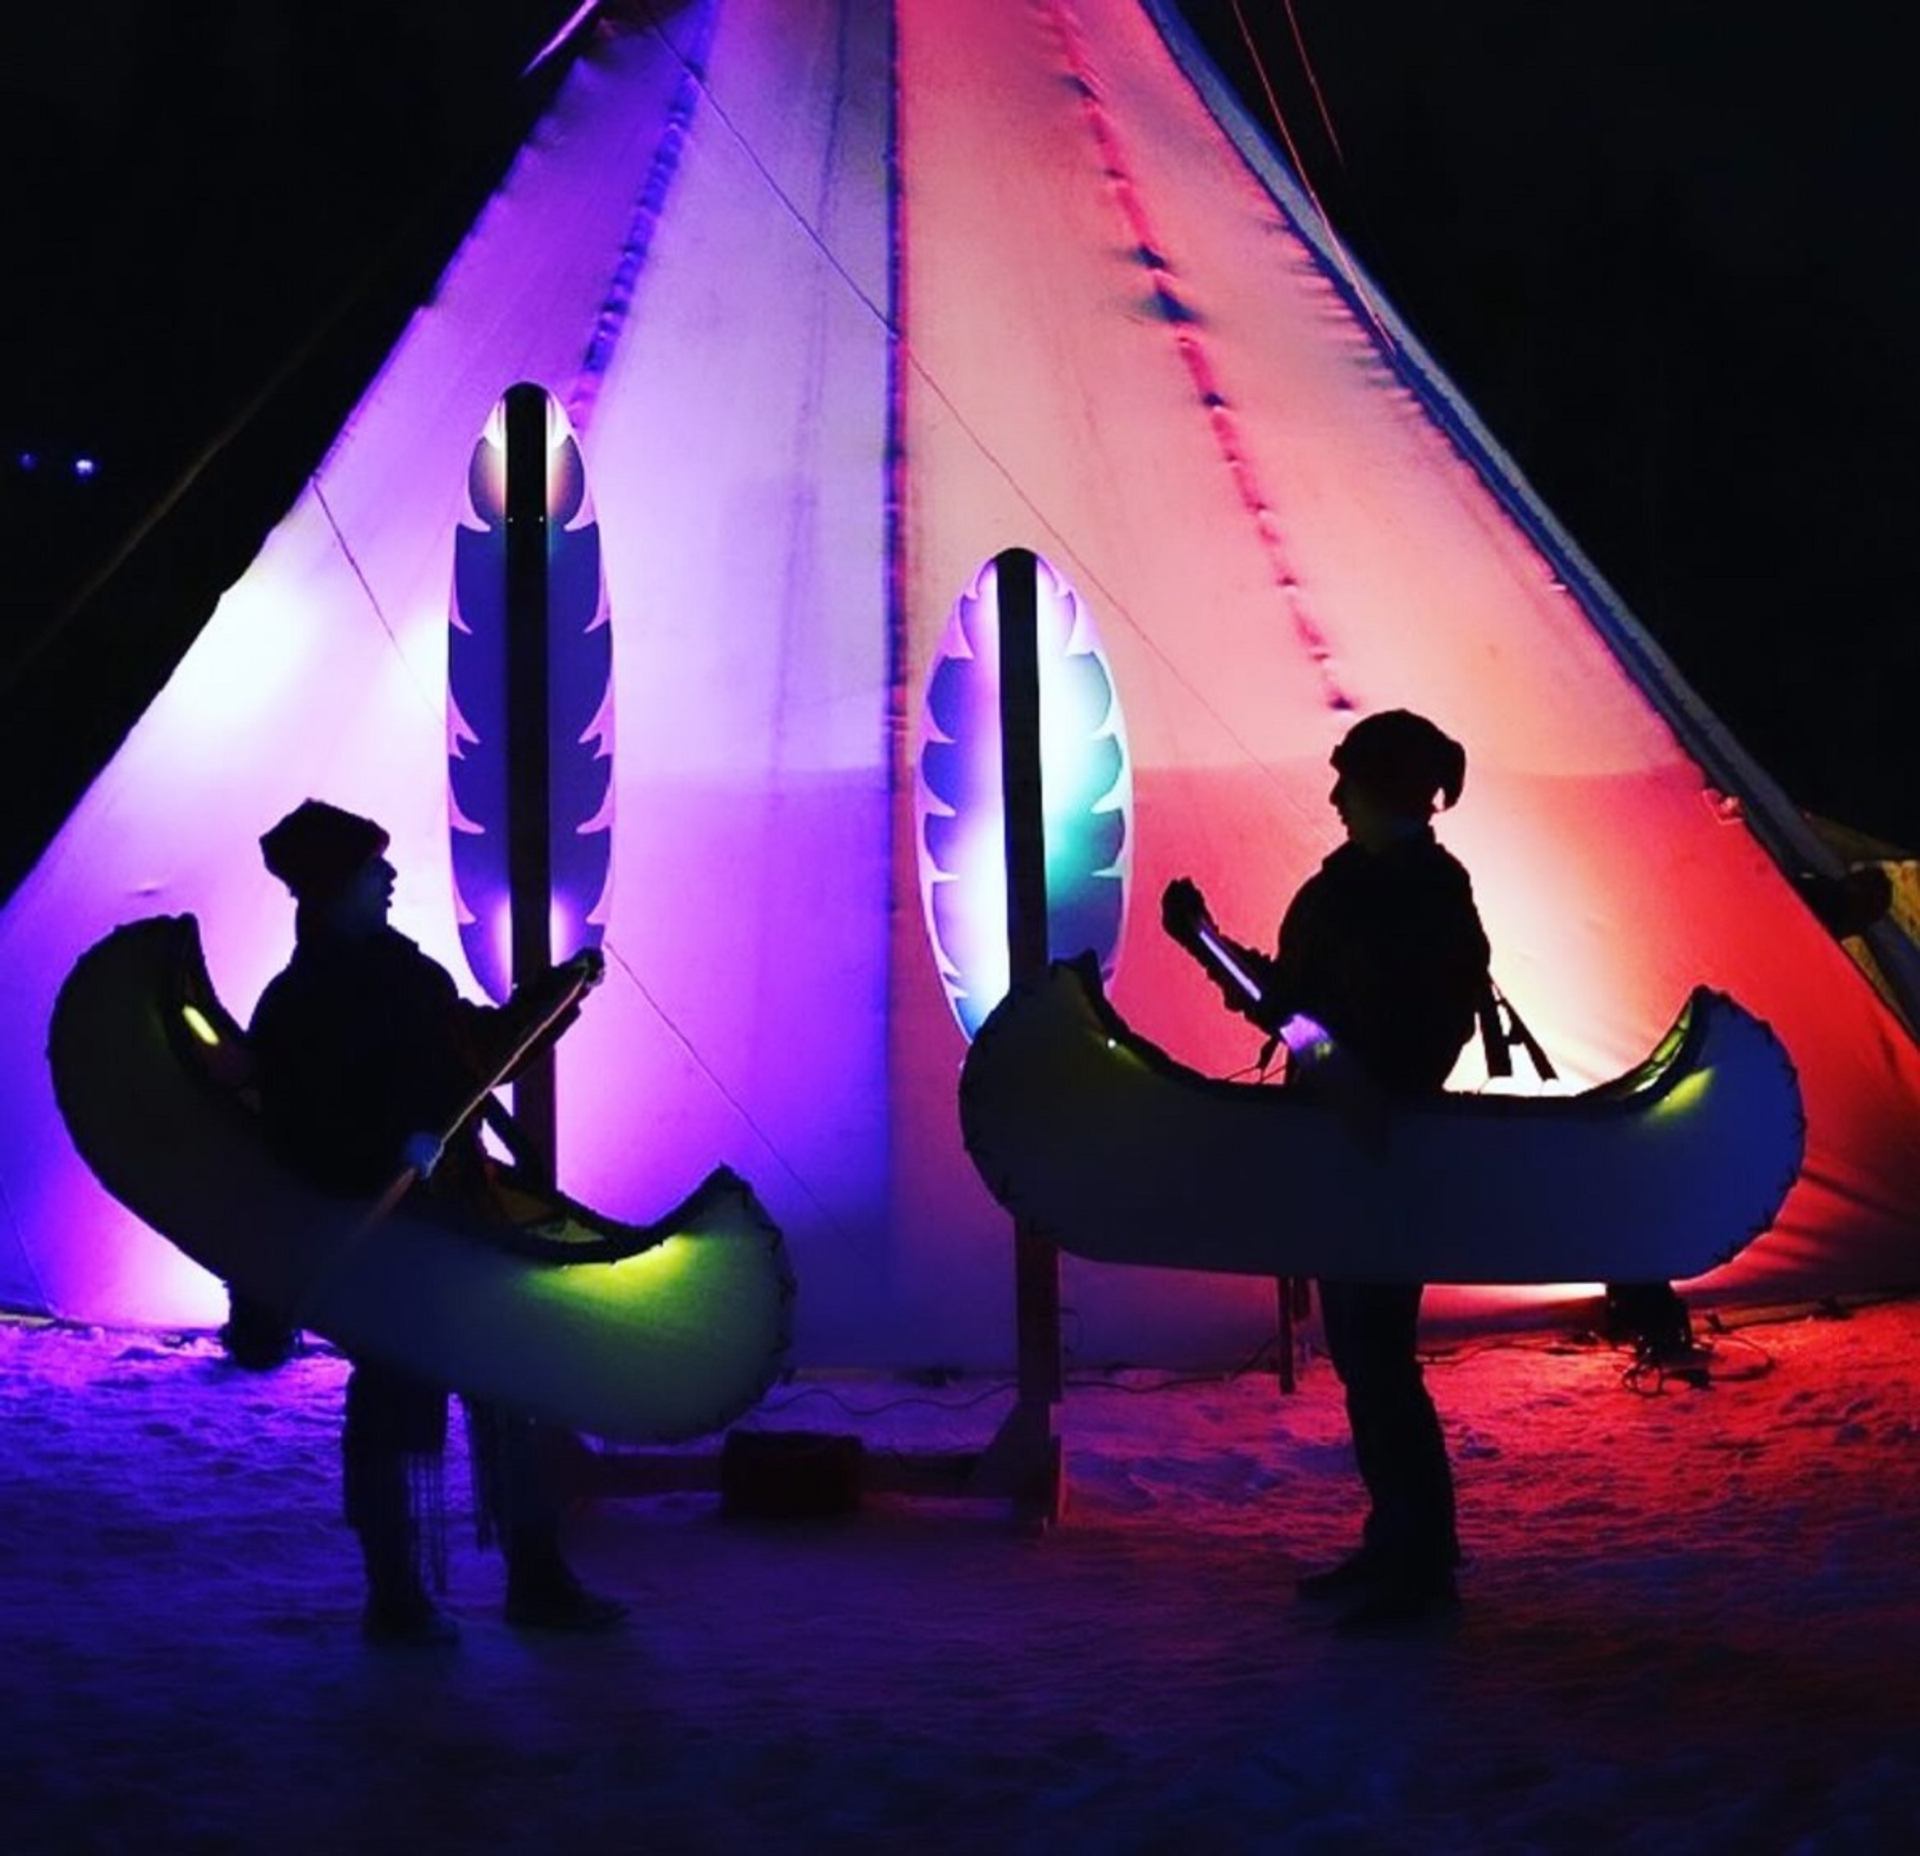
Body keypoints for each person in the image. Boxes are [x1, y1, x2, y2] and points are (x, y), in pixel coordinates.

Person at [250, 798, 626, 1645]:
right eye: (372, 867)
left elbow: (475, 1060)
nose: (390, 877)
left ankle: (535, 1578)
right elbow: (295, 1133)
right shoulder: (299, 1005)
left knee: (509, 1399)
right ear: (334, 886)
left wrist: (555, 1000)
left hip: (457, 1220)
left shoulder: (412, 980)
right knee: (392, 1411)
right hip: (386, 1241)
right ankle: (397, 1597)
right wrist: (380, 1154)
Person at [1164, 710, 1490, 1631]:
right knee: (1366, 1359)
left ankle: (1418, 1560)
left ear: (1387, 788)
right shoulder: (1387, 889)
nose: (1335, 792)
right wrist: (1211, 947)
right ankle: (1401, 1543)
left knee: (1379, 1360)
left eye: (1350, 777)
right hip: (1352, 1149)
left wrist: (1324, 1052)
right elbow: (1305, 1015)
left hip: (1377, 1156)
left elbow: (1345, 1027)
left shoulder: (1412, 897)